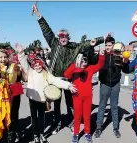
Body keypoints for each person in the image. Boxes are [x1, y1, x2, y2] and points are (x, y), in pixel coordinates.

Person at [32, 2, 106, 134]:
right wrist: (39, 16)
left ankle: (74, 122)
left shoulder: (74, 47)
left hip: (68, 79)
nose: (63, 39)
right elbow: (46, 31)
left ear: (68, 38)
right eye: (61, 37)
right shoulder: (54, 43)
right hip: (54, 79)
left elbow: (88, 43)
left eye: (65, 37)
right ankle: (57, 123)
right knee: (56, 103)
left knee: (71, 102)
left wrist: (102, 39)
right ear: (58, 38)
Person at [16, 43, 77, 143]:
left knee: (41, 118)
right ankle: (35, 136)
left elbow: (55, 81)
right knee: (34, 118)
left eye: (39, 65)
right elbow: (23, 62)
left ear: (42, 64)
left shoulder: (46, 73)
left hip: (43, 100)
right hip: (33, 99)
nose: (37, 67)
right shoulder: (30, 72)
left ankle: (42, 134)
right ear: (32, 65)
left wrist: (68, 85)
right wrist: (21, 53)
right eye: (35, 65)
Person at [64, 48, 105, 143]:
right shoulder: (74, 68)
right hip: (77, 96)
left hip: (87, 97)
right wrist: (75, 66)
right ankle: (76, 134)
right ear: (78, 60)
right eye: (81, 60)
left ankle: (87, 132)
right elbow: (66, 74)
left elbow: (100, 65)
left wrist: (102, 55)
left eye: (85, 60)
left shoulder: (90, 68)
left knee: (87, 116)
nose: (83, 62)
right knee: (77, 116)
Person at [93, 37, 127, 139]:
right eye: (106, 45)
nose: (108, 47)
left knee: (114, 106)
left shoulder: (118, 55)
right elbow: (92, 60)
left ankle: (115, 128)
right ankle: (99, 127)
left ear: (113, 45)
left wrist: (125, 61)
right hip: (105, 84)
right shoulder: (102, 56)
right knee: (102, 106)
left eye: (109, 45)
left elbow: (126, 70)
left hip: (115, 84)